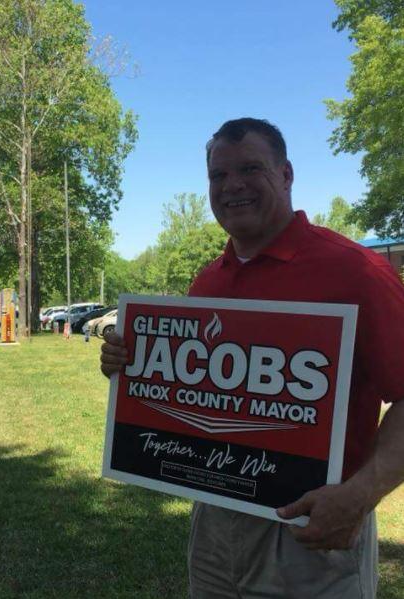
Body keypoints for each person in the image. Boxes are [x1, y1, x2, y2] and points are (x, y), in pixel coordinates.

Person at [100, 118, 404, 598]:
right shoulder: (208, 282)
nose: (232, 185)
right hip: (215, 522)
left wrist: (360, 497)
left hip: (313, 530)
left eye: (250, 168)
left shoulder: (356, 272)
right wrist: (128, 364)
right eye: (218, 176)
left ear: (286, 175)